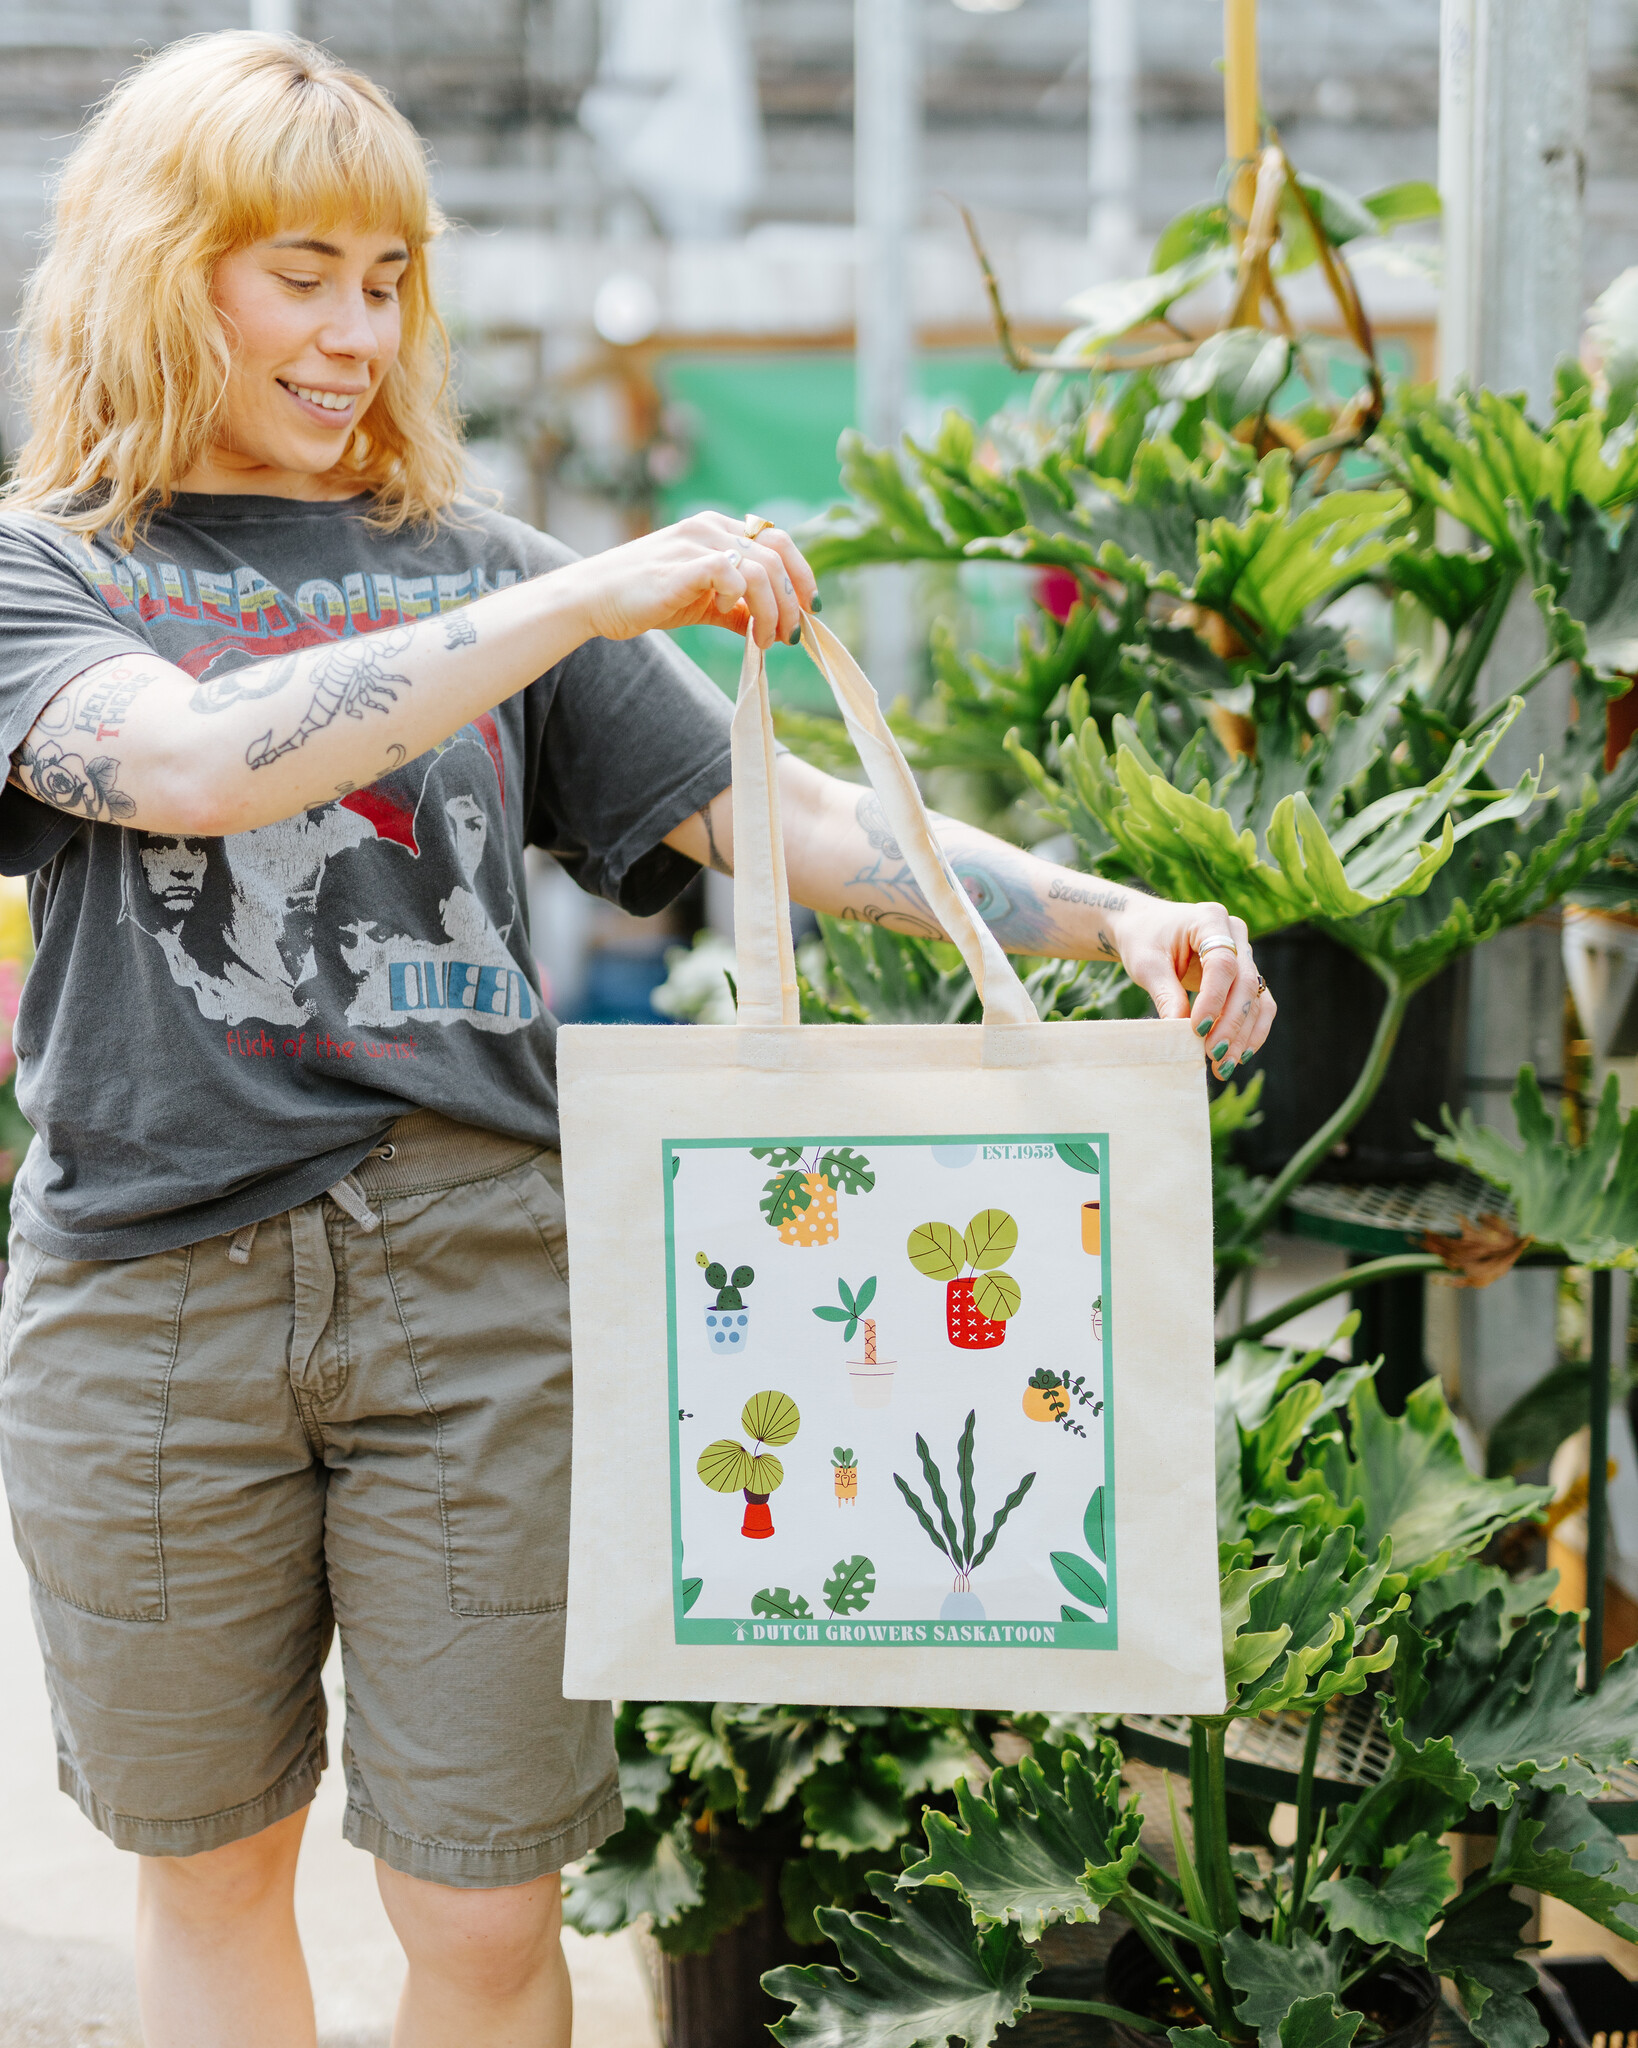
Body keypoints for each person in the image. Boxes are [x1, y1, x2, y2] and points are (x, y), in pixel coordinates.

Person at [0, 31, 1273, 2048]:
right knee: (213, 1863)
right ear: (167, 273)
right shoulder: (50, 570)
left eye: (387, 275)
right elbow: (185, 764)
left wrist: (1111, 909)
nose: (353, 329)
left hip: (477, 1290)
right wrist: (589, 593)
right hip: (150, 1292)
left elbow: (803, 829)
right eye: (297, 272)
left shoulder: (489, 569)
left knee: (488, 1902)